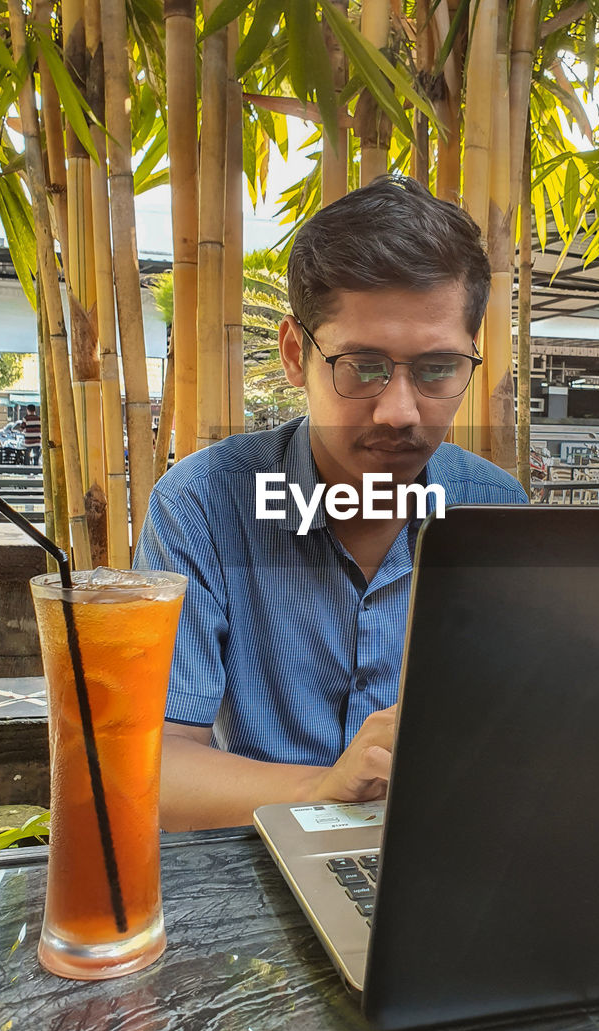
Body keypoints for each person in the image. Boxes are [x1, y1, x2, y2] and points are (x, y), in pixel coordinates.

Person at [134, 175, 529, 831]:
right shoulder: (204, 504)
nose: (402, 412)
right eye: (362, 366)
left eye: (438, 369)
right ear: (296, 354)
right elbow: (159, 771)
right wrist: (329, 786)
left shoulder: (493, 507)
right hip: (263, 858)